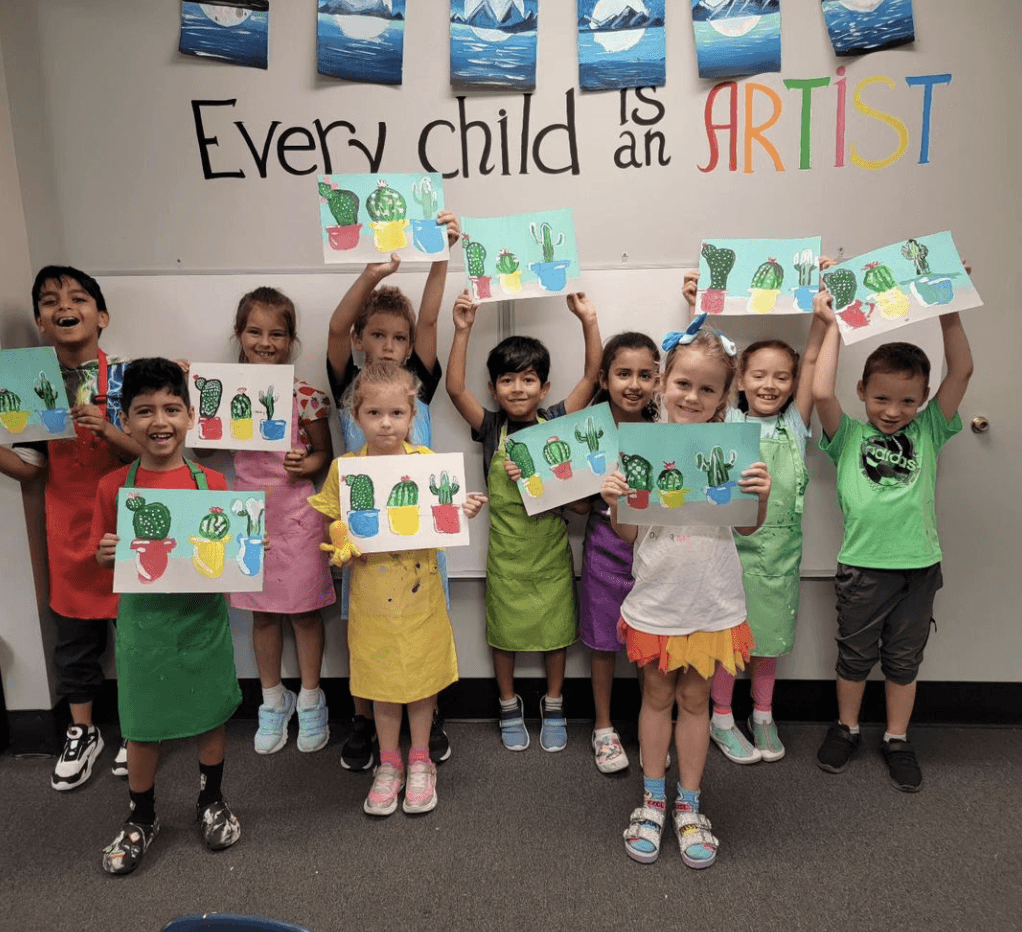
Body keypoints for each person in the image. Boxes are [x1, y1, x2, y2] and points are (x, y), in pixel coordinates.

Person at [601, 315, 771, 866]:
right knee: (655, 697)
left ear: (723, 399)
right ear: (661, 384)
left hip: (712, 598)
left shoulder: (734, 449)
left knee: (696, 701)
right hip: (657, 599)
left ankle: (689, 806)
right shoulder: (637, 447)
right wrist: (614, 499)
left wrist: (760, 493)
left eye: (707, 388)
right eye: (682, 383)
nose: (692, 396)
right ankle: (653, 800)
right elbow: (629, 533)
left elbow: (746, 525)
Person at [308, 362, 486, 816]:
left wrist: (460, 507)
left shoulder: (427, 465)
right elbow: (332, 519)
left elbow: (443, 517)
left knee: (422, 681)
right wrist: (342, 539)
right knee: (382, 683)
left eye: (395, 414)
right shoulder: (346, 469)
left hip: (420, 594)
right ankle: (388, 764)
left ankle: (421, 759)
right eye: (373, 413)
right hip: (370, 598)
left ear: (412, 416)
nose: (385, 423)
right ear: (355, 416)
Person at [812, 291, 973, 793]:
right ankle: (847, 728)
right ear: (862, 391)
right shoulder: (848, 437)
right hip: (862, 568)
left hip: (919, 568)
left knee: (904, 661)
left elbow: (962, 371)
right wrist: (835, 323)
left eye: (907, 400)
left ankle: (897, 738)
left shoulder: (929, 429)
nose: (893, 410)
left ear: (923, 400)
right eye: (881, 398)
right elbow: (820, 392)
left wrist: (950, 305)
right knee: (855, 657)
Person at [93, 358, 244, 874]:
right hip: (143, 625)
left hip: (202, 622)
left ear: (190, 414)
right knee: (141, 723)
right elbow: (99, 551)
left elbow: (223, 555)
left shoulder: (214, 484)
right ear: (126, 419)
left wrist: (247, 549)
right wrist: (108, 551)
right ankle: (142, 816)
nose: (160, 421)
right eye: (145, 411)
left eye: (172, 408)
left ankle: (211, 800)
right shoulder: (115, 487)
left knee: (210, 713)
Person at [326, 211, 460, 771]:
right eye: (376, 334)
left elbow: (430, 320)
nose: (388, 345)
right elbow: (335, 329)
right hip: (364, 539)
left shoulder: (417, 387)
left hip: (419, 535)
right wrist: (370, 276)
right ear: (362, 340)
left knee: (425, 621)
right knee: (367, 628)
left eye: (397, 338)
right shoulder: (348, 385)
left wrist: (440, 255)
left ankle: (429, 717)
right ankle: (365, 719)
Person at [0, 266, 141, 790]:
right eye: (51, 300)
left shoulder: (129, 376)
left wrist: (108, 429)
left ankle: (137, 726)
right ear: (40, 321)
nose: (65, 305)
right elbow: (31, 468)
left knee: (134, 636)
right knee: (74, 640)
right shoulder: (33, 385)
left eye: (79, 297)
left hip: (126, 526)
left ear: (101, 316)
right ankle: (83, 731)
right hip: (66, 530)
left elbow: (155, 454)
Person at [446, 289, 602, 752]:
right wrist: (462, 329)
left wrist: (588, 320)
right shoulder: (491, 427)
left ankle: (554, 703)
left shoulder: (556, 421)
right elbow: (454, 389)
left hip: (551, 550)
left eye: (529, 379)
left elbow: (594, 376)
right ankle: (508, 703)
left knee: (556, 631)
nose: (518, 389)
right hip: (507, 554)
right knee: (504, 633)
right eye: (507, 381)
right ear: (494, 389)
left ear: (545, 387)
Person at [705, 274, 834, 765]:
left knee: (770, 640)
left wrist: (822, 324)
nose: (770, 385)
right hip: (730, 551)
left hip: (779, 554)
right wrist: (698, 308)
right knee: (728, 640)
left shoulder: (794, 425)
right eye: (759, 374)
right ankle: (721, 717)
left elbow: (815, 363)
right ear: (739, 378)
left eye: (782, 376)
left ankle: (762, 713)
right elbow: (704, 366)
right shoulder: (726, 420)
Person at [226, 287, 335, 755]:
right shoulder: (226, 391)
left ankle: (311, 698)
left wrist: (305, 465)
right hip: (248, 512)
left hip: (297, 515)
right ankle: (273, 699)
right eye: (255, 331)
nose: (265, 341)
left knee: (306, 612)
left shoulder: (305, 395)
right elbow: (205, 450)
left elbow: (325, 456)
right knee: (263, 612)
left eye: (277, 333)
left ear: (292, 340)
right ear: (239, 334)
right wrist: (195, 397)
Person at [578, 332, 660, 774]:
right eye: (623, 373)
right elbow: (563, 484)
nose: (634, 383)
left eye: (645, 375)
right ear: (605, 377)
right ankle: (604, 728)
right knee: (603, 638)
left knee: (651, 639)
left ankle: (653, 723)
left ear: (658, 379)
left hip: (654, 548)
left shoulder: (665, 427)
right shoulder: (586, 426)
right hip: (604, 544)